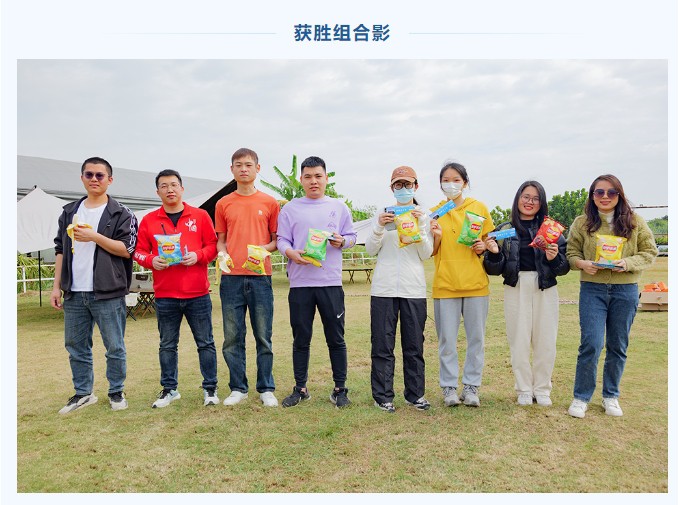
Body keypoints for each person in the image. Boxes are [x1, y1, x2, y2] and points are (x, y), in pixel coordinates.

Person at [51, 157, 138, 414]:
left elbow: (126, 249)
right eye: (89, 174)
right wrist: (57, 287)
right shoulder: (69, 212)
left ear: (110, 180)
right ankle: (83, 393)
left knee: (114, 346)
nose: (94, 179)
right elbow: (60, 250)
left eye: (100, 175)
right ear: (82, 178)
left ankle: (116, 391)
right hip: (74, 291)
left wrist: (94, 236)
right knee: (76, 346)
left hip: (108, 290)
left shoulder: (122, 213)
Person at [566, 174, 657, 419]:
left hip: (625, 290)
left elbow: (650, 251)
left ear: (619, 195)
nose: (605, 197)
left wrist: (627, 263)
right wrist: (582, 263)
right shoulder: (581, 223)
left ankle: (611, 396)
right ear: (592, 196)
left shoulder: (635, 222)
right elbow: (571, 253)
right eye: (599, 192)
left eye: (611, 192)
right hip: (592, 290)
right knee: (591, 344)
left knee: (618, 345)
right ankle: (581, 397)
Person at [134, 169, 219, 408]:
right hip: (165, 294)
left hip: (197, 293)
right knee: (167, 345)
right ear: (157, 191)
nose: (169, 190)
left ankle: (210, 388)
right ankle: (169, 389)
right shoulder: (149, 220)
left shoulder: (200, 216)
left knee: (205, 343)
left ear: (182, 188)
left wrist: (198, 255)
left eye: (173, 185)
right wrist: (151, 260)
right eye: (164, 186)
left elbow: (213, 246)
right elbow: (138, 251)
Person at [276, 156, 357, 408]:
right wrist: (290, 253)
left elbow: (352, 236)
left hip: (330, 283)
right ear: (301, 179)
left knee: (336, 338)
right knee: (301, 338)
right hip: (300, 284)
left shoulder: (339, 207)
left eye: (318, 176)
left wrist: (342, 241)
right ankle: (300, 388)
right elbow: (282, 240)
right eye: (308, 176)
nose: (313, 181)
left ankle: (340, 389)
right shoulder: (290, 209)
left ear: (326, 178)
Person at [483, 181, 570, 407]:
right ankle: (523, 388)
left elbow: (564, 268)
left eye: (535, 198)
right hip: (516, 286)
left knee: (546, 341)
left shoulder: (551, 229)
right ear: (518, 199)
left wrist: (554, 258)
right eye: (526, 197)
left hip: (545, 287)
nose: (530, 202)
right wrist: (494, 253)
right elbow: (494, 269)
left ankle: (542, 389)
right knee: (519, 340)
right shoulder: (505, 230)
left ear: (541, 203)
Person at [215, 148, 281, 407]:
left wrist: (263, 249)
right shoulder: (223, 203)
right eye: (238, 165)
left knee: (263, 335)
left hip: (260, 277)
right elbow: (220, 240)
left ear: (257, 168)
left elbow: (276, 241)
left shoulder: (270, 202)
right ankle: (238, 387)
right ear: (231, 169)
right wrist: (222, 254)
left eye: (248, 164)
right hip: (231, 278)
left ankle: (266, 387)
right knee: (232, 336)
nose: (243, 169)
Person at [366, 166, 433, 413]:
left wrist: (421, 226)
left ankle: (415, 395)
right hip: (383, 289)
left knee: (414, 344)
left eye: (408, 184)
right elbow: (371, 250)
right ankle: (383, 396)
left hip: (413, 288)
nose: (403, 189)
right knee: (382, 345)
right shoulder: (382, 214)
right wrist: (378, 226)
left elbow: (426, 253)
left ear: (416, 186)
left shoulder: (423, 215)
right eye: (398, 185)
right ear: (392, 188)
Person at [430, 162, 495, 407]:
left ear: (465, 183)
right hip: (445, 284)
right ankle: (448, 388)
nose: (451, 184)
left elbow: (489, 242)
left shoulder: (479, 208)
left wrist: (482, 247)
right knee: (447, 340)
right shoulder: (435, 212)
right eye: (446, 180)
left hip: (476, 284)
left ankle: (471, 387)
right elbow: (430, 251)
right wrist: (436, 236)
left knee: (476, 339)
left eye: (456, 179)